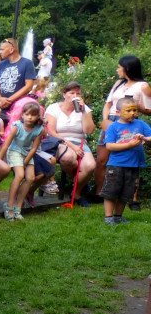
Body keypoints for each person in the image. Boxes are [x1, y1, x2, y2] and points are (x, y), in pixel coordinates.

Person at [95, 55, 151, 203]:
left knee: (130, 158)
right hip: (112, 120)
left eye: (119, 67)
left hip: (130, 122)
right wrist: (106, 120)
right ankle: (100, 193)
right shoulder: (118, 83)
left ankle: (131, 197)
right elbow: (108, 104)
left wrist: (135, 105)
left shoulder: (143, 86)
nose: (117, 69)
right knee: (102, 159)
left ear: (127, 68)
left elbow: (149, 109)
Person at [101, 97, 151, 224]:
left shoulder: (141, 125)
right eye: (128, 110)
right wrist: (129, 145)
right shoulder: (113, 127)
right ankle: (108, 217)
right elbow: (109, 146)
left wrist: (144, 137)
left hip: (134, 165)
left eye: (135, 110)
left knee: (126, 192)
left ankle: (118, 216)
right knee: (111, 191)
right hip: (116, 165)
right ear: (118, 112)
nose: (133, 113)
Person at [45, 81, 96, 205]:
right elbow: (50, 131)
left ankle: (76, 193)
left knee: (90, 166)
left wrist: (84, 111)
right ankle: (81, 181)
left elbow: (89, 130)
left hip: (79, 141)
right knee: (68, 158)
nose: (75, 96)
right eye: (71, 93)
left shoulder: (85, 109)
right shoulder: (53, 108)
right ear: (64, 94)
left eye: (78, 93)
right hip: (59, 140)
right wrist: (70, 144)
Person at [0, 102, 44, 221]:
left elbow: (34, 147)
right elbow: (6, 144)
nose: (29, 117)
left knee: (31, 178)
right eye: (27, 114)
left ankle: (18, 207)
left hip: (27, 153)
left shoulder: (39, 129)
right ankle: (9, 206)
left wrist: (27, 160)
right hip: (14, 151)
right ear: (22, 115)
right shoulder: (17, 126)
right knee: (19, 175)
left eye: (33, 115)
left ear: (38, 116)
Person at [0, 38, 36, 123]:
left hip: (18, 107)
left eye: (2, 49)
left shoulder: (27, 63)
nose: (0, 52)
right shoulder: (1, 64)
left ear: (11, 49)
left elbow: (29, 86)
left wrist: (9, 100)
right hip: (0, 107)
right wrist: (0, 99)